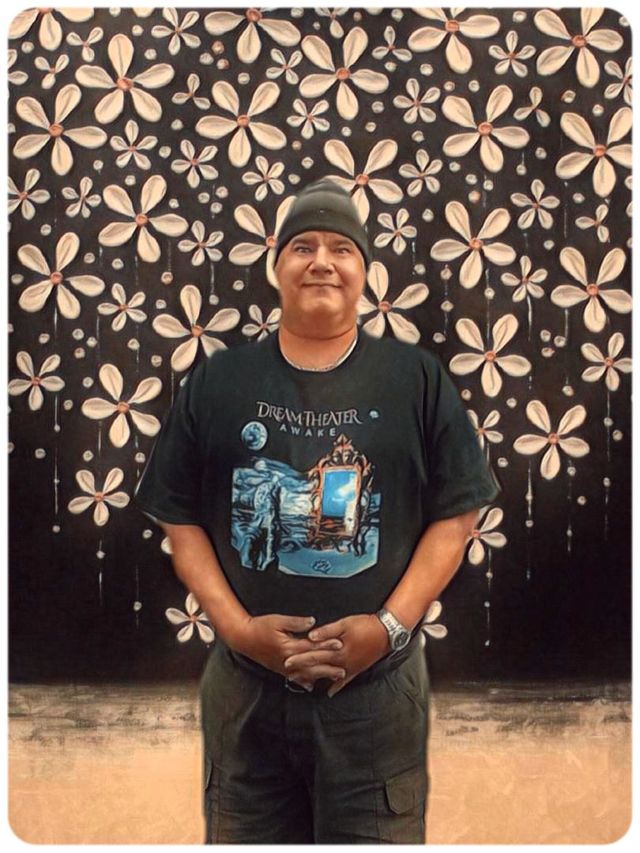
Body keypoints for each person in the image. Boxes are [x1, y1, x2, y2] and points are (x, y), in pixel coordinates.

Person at [134, 178, 499, 844]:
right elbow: (179, 520)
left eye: (341, 248)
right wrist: (240, 631)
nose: (322, 262)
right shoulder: (217, 380)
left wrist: (388, 627)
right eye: (303, 247)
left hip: (377, 701)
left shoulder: (417, 379)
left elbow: (457, 517)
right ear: (277, 268)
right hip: (245, 697)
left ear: (365, 271)